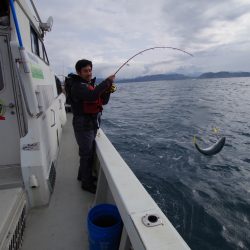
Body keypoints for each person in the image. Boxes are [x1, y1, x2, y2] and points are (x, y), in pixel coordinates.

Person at [69, 59, 115, 193]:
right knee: (86, 154)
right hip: (82, 125)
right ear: (79, 72)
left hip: (92, 123)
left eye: (90, 70)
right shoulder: (77, 86)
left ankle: (82, 176)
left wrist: (107, 90)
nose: (89, 73)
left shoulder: (89, 84)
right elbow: (91, 96)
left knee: (88, 152)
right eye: (85, 71)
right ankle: (86, 184)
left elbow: (103, 101)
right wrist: (107, 81)